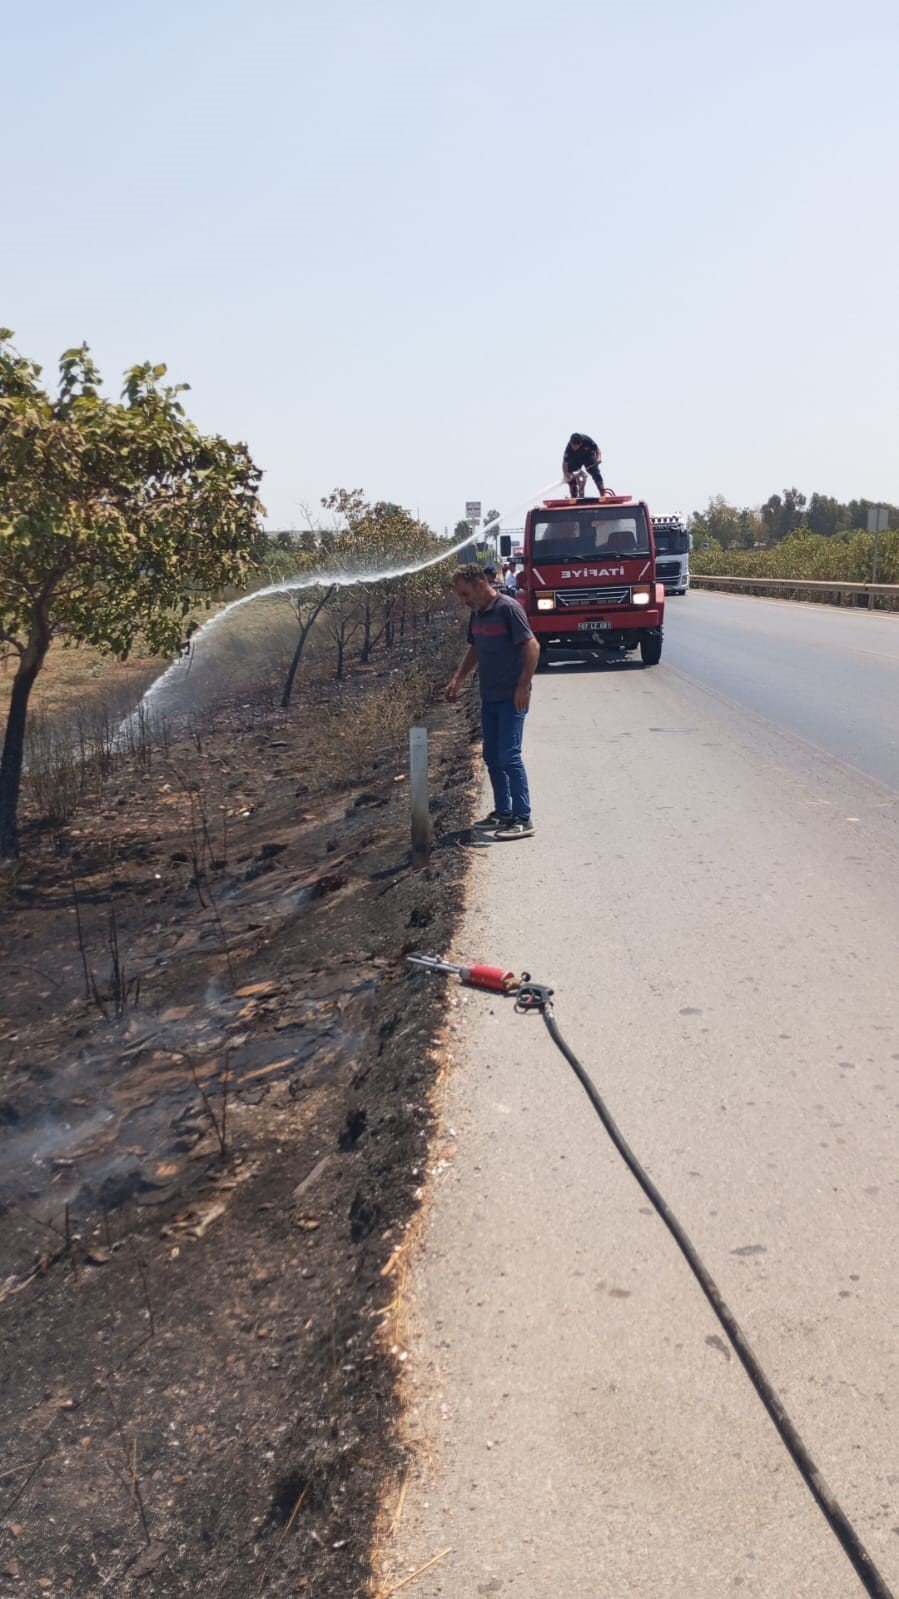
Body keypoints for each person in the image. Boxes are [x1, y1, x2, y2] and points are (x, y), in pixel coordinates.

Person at [445, 564, 539, 840]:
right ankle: (503, 812)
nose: (463, 600)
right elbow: (475, 647)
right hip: (489, 696)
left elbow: (532, 646)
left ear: (478, 583)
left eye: (465, 594)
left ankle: (523, 817)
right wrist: (458, 678)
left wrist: (523, 686)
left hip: (512, 697)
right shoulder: (477, 614)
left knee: (509, 756)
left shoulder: (508, 608)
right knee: (492, 757)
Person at [563, 432, 604, 498]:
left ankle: (603, 494)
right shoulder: (569, 448)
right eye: (572, 445)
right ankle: (574, 496)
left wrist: (598, 458)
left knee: (595, 472)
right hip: (575, 458)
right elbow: (565, 463)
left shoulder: (587, 441)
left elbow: (597, 449)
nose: (573, 447)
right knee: (569, 474)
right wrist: (566, 474)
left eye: (575, 446)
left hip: (587, 456)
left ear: (581, 444)